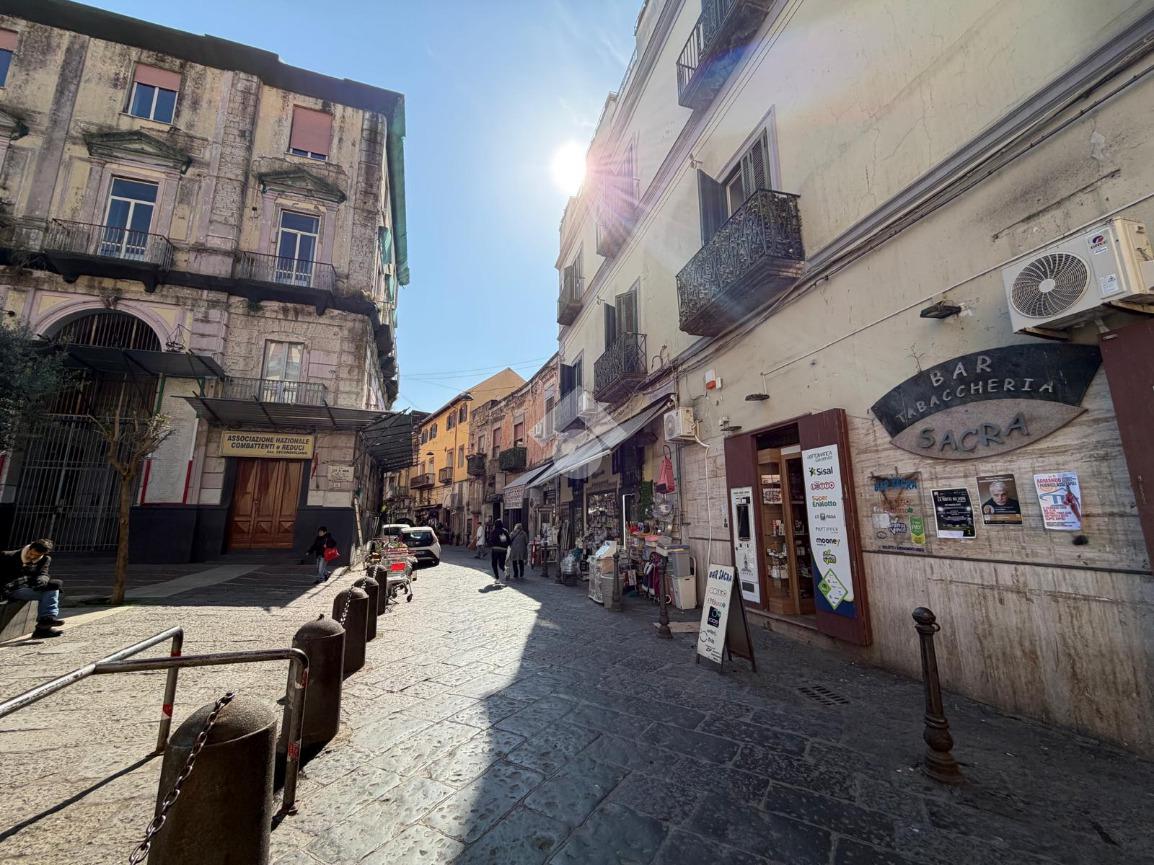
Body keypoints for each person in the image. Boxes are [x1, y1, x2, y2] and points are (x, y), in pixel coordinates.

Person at [1, 539, 64, 638]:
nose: (32, 557)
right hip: (11, 590)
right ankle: (43, 629)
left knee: (53, 587)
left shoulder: (45, 559)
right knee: (51, 593)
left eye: (37, 556)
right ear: (29, 548)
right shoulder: (7, 555)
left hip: (29, 587)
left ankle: (47, 620)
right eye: (31, 553)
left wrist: (42, 579)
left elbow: (43, 573)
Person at [487, 519, 510, 585]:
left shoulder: (494, 531)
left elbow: (491, 540)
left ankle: (497, 579)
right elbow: (509, 541)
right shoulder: (505, 531)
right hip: (503, 550)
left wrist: (491, 544)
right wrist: (505, 546)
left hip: (495, 550)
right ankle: (505, 571)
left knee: (494, 564)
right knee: (501, 564)